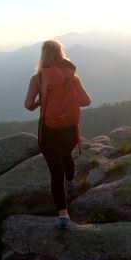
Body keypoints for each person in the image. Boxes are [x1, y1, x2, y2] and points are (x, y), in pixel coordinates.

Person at [24, 39, 91, 229]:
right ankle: (70, 183)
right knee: (66, 154)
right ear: (61, 54)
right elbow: (86, 101)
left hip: (48, 131)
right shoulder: (71, 77)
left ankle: (63, 215)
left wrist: (41, 101)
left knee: (55, 173)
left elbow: (28, 105)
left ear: (42, 56)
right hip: (69, 128)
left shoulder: (37, 79)